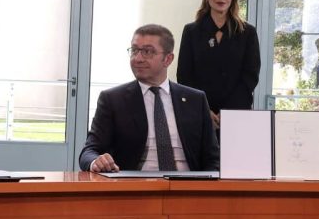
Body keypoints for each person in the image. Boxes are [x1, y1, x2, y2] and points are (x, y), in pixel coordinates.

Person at [80, 24, 219, 173]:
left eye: (147, 52)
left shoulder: (195, 100)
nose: (138, 58)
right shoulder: (113, 100)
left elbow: (213, 159)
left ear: (168, 59)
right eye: (134, 51)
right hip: (135, 187)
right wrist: (96, 161)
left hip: (187, 187)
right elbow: (89, 151)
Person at [177, 0, 261, 127]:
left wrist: (228, 111)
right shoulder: (191, 31)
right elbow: (185, 76)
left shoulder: (247, 32)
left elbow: (250, 76)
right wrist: (204, 109)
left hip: (237, 114)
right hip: (199, 114)